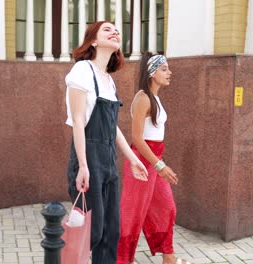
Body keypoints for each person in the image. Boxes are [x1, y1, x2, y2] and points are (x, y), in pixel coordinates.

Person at [65, 21, 148, 264]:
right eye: (107, 30)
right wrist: (82, 165)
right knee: (93, 231)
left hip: (109, 161)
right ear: (93, 41)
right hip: (88, 157)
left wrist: (133, 160)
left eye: (117, 30)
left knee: (111, 232)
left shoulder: (108, 80)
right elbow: (78, 121)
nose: (115, 32)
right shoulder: (82, 70)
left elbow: (113, 128)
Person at [116, 53, 190, 264]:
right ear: (152, 72)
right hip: (142, 162)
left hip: (155, 161)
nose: (169, 72)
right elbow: (137, 139)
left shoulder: (154, 98)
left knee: (167, 208)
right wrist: (159, 165)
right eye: (164, 69)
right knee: (132, 214)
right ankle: (122, 260)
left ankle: (169, 258)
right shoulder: (142, 98)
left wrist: (159, 164)